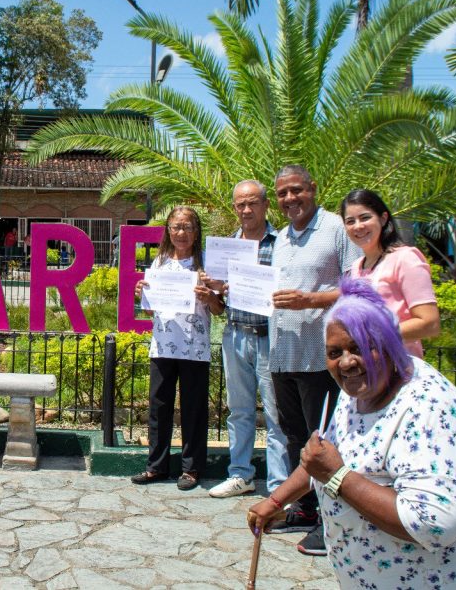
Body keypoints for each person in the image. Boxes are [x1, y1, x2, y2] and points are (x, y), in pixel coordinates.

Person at [247, 278, 456, 588]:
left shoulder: (429, 409)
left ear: (389, 345)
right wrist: (276, 501)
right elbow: (320, 459)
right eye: (334, 352)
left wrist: (338, 477)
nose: (347, 362)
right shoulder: (356, 392)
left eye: (360, 347)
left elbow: (433, 524)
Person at [267, 165, 361, 556]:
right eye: (283, 193)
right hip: (282, 354)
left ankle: (330, 521)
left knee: (322, 441)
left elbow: (357, 285)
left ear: (312, 189)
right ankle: (305, 509)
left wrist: (311, 300)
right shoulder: (281, 238)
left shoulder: (337, 229)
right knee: (294, 437)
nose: (290, 199)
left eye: (296, 190)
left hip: (320, 358)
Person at [207, 181, 289, 499]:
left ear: (266, 205)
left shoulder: (281, 244)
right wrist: (214, 290)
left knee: (275, 414)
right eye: (240, 204)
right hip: (236, 335)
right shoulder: (227, 248)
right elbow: (217, 306)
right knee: (239, 411)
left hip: (270, 337)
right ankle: (240, 474)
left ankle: (279, 485)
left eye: (252, 203)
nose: (246, 210)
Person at [131, 206, 224, 490]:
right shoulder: (159, 262)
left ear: (196, 232)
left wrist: (209, 297)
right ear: (168, 231)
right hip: (162, 346)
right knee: (159, 407)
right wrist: (142, 295)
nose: (181, 232)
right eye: (176, 227)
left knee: (193, 408)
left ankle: (191, 469)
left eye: (187, 227)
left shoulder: (206, 265)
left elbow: (219, 309)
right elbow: (151, 311)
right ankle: (156, 467)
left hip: (195, 348)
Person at [340, 189, 439, 358]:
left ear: (383, 218)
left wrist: (373, 336)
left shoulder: (405, 259)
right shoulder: (356, 268)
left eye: (365, 218)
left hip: (400, 367)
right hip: (366, 367)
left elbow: (430, 324)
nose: (358, 226)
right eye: (350, 221)